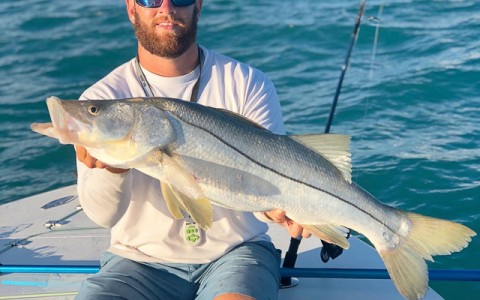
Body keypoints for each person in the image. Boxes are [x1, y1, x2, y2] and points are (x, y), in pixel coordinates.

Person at [75, 0, 309, 299]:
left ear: (198, 6)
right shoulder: (101, 101)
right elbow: (103, 215)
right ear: (132, 8)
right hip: (137, 261)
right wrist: (114, 169)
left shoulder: (247, 83)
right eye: (150, 0)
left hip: (236, 253)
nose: (167, 8)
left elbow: (270, 182)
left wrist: (279, 210)